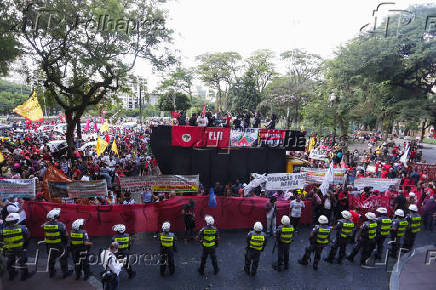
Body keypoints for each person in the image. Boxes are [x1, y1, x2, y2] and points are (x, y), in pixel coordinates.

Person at [0, 213, 31, 281]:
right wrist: (25, 246)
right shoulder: (23, 228)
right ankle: (24, 276)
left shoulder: (3, 231)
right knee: (22, 262)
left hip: (9, 249)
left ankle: (11, 276)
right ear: (17, 220)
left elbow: (1, 240)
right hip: (21, 249)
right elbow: (27, 237)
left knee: (10, 262)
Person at [42, 208, 71, 278]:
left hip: (49, 245)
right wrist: (67, 243)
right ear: (56, 216)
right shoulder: (60, 225)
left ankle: (51, 272)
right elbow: (66, 235)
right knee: (62, 258)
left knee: (51, 258)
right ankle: (65, 273)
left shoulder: (45, 225)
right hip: (59, 245)